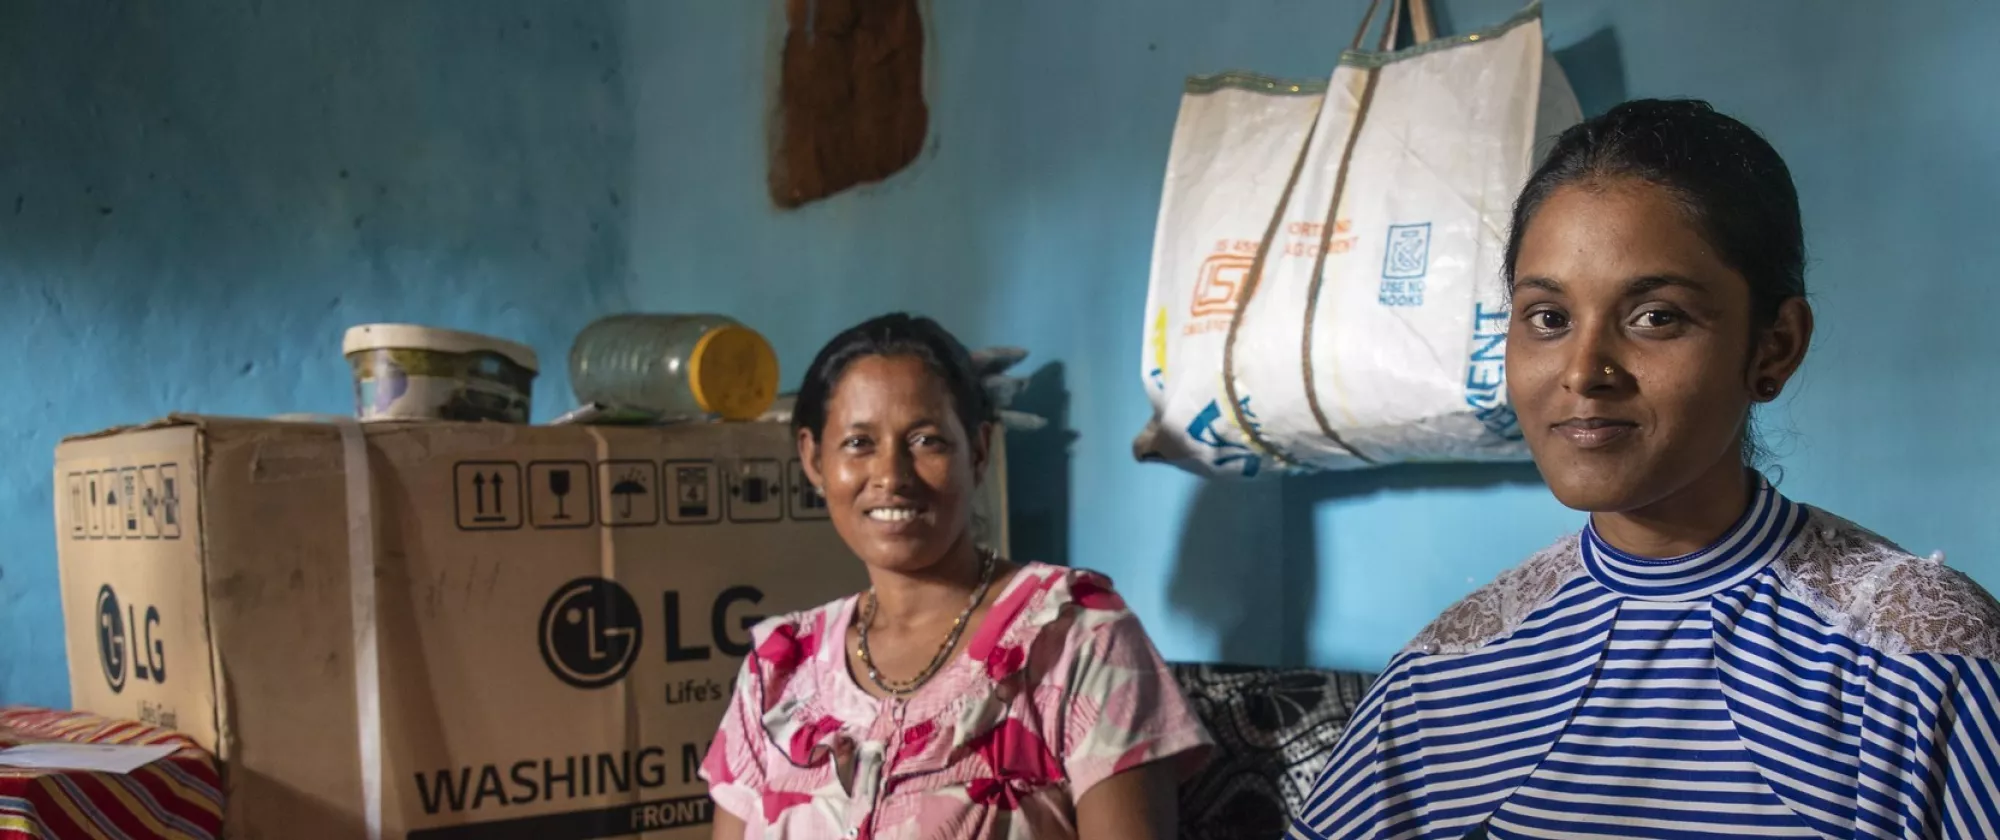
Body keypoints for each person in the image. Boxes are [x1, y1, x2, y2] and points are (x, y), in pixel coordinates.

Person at [1290, 99, 2000, 839]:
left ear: (1775, 346)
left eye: (1656, 316)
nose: (1584, 371)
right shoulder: (1445, 677)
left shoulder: (1915, 661)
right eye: (1548, 318)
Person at [702, 313, 1211, 839]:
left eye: (926, 441)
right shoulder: (780, 667)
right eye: (858, 443)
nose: (891, 476)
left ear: (979, 451)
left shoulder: (1077, 638)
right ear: (814, 460)